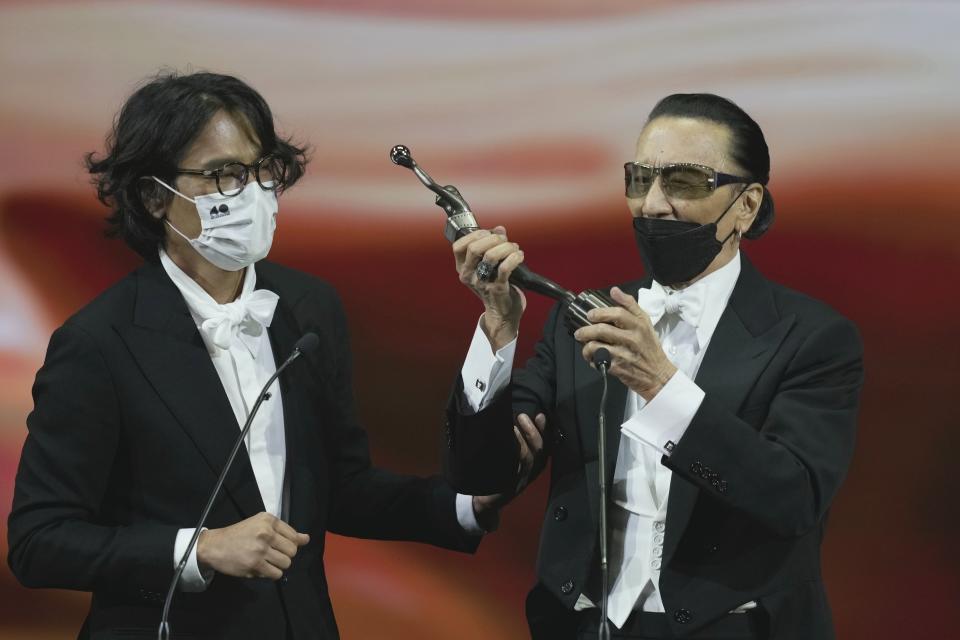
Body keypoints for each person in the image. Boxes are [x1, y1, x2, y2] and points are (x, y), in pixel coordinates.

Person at [6, 70, 539, 640]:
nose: (255, 192)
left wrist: (466, 503)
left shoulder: (307, 308)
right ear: (154, 196)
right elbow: (40, 541)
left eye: (265, 170)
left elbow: (341, 487)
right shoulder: (98, 343)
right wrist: (200, 548)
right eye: (226, 175)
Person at [447, 94, 864, 639]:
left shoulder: (813, 338)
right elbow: (482, 476)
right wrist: (498, 328)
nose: (653, 204)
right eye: (639, 179)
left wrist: (660, 385)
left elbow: (791, 499)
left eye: (685, 182)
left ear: (746, 204)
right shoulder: (583, 318)